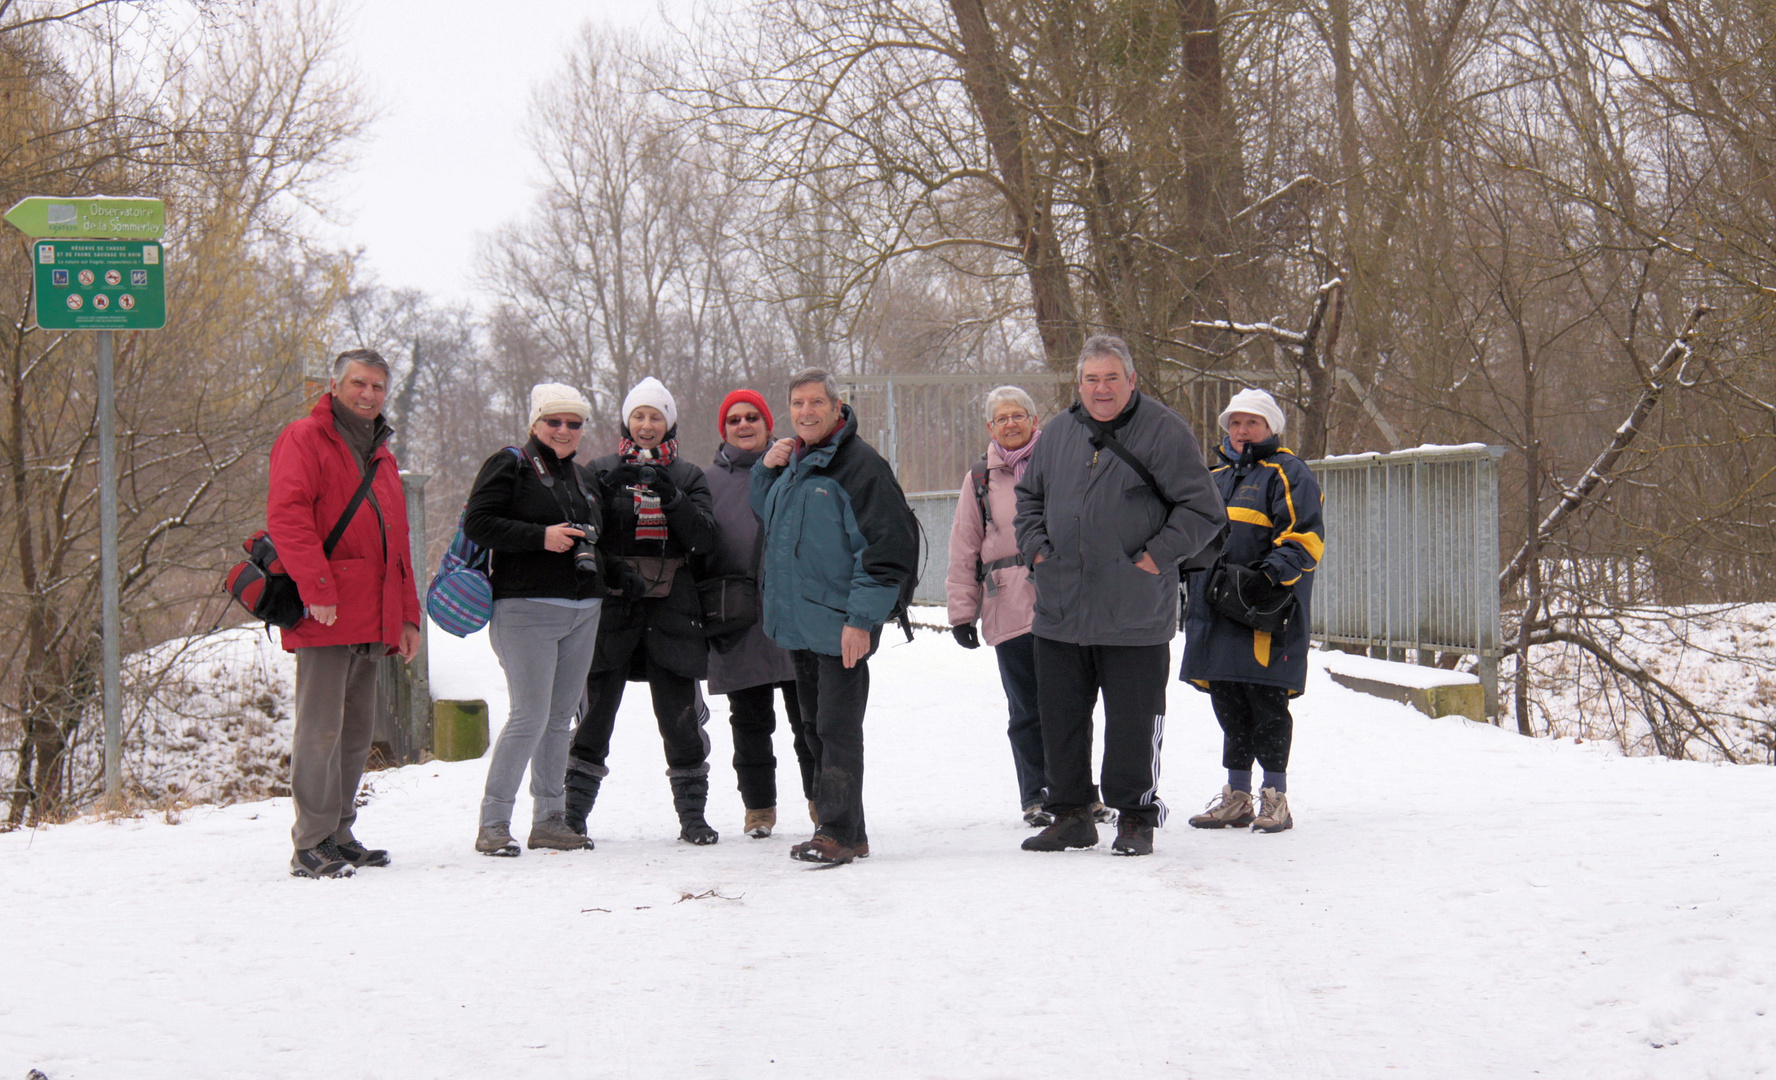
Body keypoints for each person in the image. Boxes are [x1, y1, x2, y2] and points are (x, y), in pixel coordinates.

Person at [1013, 334, 1226, 857]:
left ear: (1131, 380)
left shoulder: (1163, 429)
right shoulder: (1058, 433)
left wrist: (1156, 557)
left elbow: (1203, 509)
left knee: (1133, 719)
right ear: (1078, 384)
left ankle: (1134, 817)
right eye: (1091, 379)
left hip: (1133, 608)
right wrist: (1037, 548)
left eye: (1112, 378)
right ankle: (1070, 815)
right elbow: (1028, 499)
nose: (1101, 388)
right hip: (1061, 605)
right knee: (1059, 717)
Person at [267, 348, 423, 879]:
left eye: (378, 386)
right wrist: (316, 587)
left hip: (371, 611)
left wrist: (407, 617)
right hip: (325, 610)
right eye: (359, 383)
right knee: (319, 731)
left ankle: (338, 831)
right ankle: (310, 842)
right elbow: (288, 517)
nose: (369, 394)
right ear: (335, 386)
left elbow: (397, 543)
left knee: (356, 730)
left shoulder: (378, 451)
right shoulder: (305, 438)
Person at [752, 368, 918, 865]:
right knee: (813, 728)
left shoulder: (859, 466)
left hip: (841, 624)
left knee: (836, 729)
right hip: (802, 624)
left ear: (836, 405)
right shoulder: (796, 464)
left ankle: (837, 832)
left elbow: (886, 551)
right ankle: (849, 830)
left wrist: (860, 620)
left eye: (815, 403)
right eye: (798, 404)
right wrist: (765, 469)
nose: (806, 412)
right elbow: (770, 515)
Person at [564, 377, 720, 845]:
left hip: (674, 612)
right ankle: (572, 815)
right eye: (639, 416)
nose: (647, 425)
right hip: (614, 607)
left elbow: (704, 541)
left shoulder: (690, 476)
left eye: (656, 416)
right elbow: (587, 534)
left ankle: (692, 817)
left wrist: (669, 495)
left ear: (669, 422)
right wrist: (613, 567)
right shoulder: (600, 469)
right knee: (594, 717)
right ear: (626, 422)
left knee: (680, 719)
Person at [461, 383, 608, 857]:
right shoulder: (511, 464)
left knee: (560, 719)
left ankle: (550, 819)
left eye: (574, 423)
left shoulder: (583, 478)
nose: (564, 430)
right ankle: (494, 823)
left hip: (583, 610)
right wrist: (539, 537)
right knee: (529, 715)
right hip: (524, 608)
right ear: (535, 424)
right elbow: (477, 523)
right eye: (554, 421)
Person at [1183, 388, 1324, 834]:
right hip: (1214, 610)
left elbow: (1306, 536)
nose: (1242, 431)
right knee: (1229, 703)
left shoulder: (1288, 471)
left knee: (1266, 702)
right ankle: (1237, 796)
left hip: (1265, 610)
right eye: (1235, 423)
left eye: (1252, 423)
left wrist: (1268, 577)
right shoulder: (1215, 475)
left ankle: (1275, 797)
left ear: (1271, 427)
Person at [703, 388, 816, 839]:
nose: (744, 425)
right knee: (749, 722)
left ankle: (820, 802)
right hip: (738, 617)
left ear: (769, 425)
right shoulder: (706, 482)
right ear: (724, 430)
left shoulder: (799, 469)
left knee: (808, 718)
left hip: (793, 612)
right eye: (735, 420)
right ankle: (759, 810)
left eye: (753, 417)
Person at [945, 385, 1052, 827]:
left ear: (1033, 420)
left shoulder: (1058, 463)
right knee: (1026, 706)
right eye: (1002, 418)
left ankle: (1077, 790)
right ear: (990, 427)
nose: (1011, 424)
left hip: (1062, 602)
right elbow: (964, 546)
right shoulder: (980, 480)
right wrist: (960, 613)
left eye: (1018, 416)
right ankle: (1035, 794)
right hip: (1008, 605)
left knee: (1070, 703)